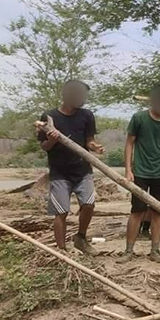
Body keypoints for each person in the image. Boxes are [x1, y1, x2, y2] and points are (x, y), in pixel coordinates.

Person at [38, 80, 105, 254]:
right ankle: (62, 250)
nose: (83, 99)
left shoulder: (87, 115)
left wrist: (95, 147)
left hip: (83, 170)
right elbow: (44, 146)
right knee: (62, 211)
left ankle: (81, 238)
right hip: (60, 172)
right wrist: (52, 140)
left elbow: (89, 141)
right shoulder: (49, 117)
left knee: (89, 204)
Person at [118, 85, 160, 263]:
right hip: (140, 173)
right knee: (137, 211)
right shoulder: (139, 118)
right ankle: (129, 251)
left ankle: (155, 251)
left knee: (158, 212)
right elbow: (129, 143)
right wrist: (128, 170)